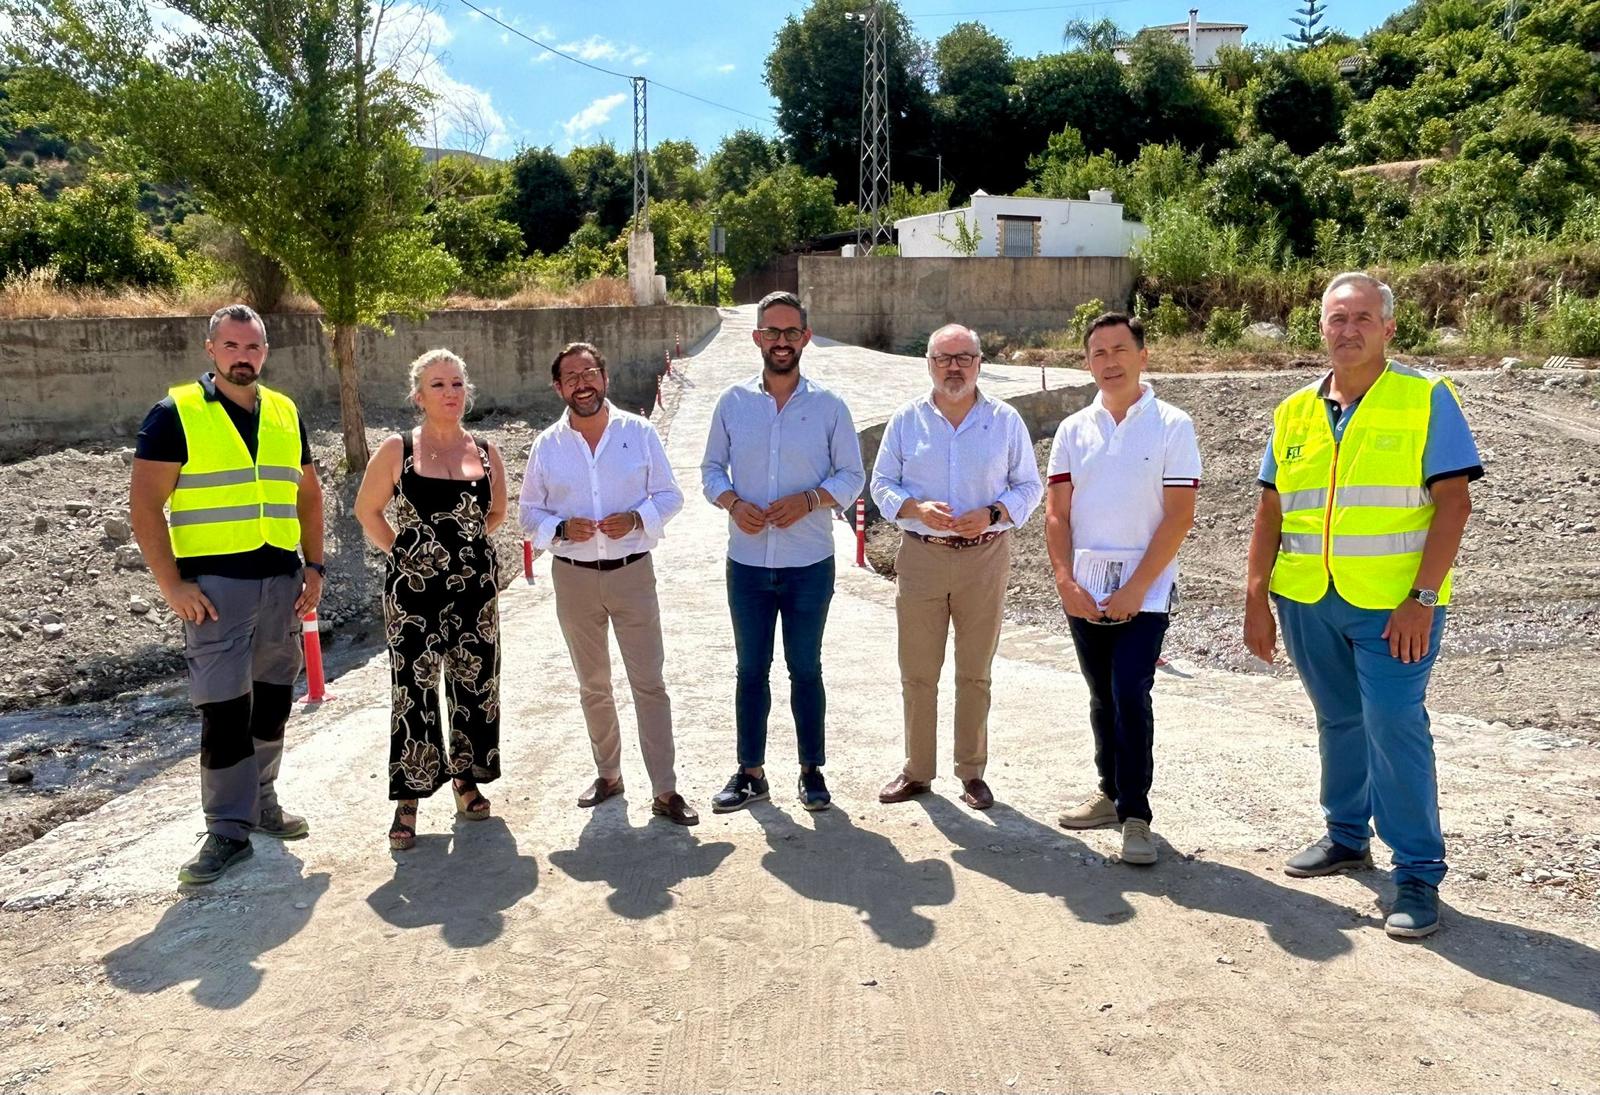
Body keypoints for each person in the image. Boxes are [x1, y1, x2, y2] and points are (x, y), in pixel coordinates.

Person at [1244, 272, 1481, 939]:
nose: (1347, 330)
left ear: (1388, 328)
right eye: (1336, 318)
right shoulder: (1293, 411)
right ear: (1320, 326)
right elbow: (1271, 508)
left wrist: (1421, 598)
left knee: (1395, 724)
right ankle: (1347, 834)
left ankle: (1416, 873)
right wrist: (1257, 596)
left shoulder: (1425, 398)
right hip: (1308, 600)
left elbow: (1454, 504)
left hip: (1394, 607)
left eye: (1362, 318)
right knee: (1339, 719)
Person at [129, 304, 324, 885]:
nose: (245, 357)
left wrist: (313, 567)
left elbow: (308, 497)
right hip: (214, 592)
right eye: (233, 346)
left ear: (265, 352)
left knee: (271, 702)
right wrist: (172, 586)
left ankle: (262, 803)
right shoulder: (175, 414)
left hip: (283, 586)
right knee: (222, 709)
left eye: (254, 347)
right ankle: (226, 829)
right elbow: (144, 507)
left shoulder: (285, 412)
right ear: (210, 350)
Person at [519, 342, 699, 826]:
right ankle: (609, 774)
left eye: (591, 372)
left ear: (605, 377)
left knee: (649, 683)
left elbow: (670, 495)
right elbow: (527, 513)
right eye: (572, 376)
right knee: (593, 685)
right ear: (559, 388)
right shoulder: (546, 446)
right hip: (575, 580)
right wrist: (558, 529)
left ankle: (665, 789)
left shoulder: (638, 433)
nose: (584, 383)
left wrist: (638, 519)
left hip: (633, 574)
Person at [700, 290, 865, 813]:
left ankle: (811, 770)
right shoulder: (732, 403)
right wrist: (730, 502)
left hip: (808, 564)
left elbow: (853, 476)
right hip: (747, 564)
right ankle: (750, 771)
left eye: (791, 332)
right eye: (772, 331)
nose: (781, 341)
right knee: (750, 671)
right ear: (756, 338)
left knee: (805, 668)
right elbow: (709, 470)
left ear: (806, 338)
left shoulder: (829, 406)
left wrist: (812, 499)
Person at [1045, 313, 1201, 866]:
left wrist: (1137, 587)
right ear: (1087, 363)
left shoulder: (1172, 425)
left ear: (1142, 355)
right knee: (1100, 693)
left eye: (1119, 349)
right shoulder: (1072, 430)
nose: (1108, 361)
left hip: (1146, 592)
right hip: (1086, 593)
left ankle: (1137, 815)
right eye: (1097, 353)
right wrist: (1065, 580)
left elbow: (1179, 516)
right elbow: (1057, 514)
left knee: (1131, 692)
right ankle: (1108, 792)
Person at [870, 323, 1043, 810]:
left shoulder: (1005, 420)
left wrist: (992, 514)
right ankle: (917, 771)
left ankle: (971, 771)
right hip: (921, 556)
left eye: (963, 357)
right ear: (928, 363)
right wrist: (915, 508)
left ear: (979, 363)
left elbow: (1029, 486)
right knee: (918, 671)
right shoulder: (906, 421)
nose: (954, 367)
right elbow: (881, 483)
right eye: (944, 358)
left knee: (975, 672)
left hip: (985, 559)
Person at [354, 349, 507, 851]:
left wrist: (461, 551)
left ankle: (466, 780)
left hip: (475, 591)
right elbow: (368, 510)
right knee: (413, 692)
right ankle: (409, 800)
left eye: (458, 384)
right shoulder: (396, 449)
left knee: (474, 684)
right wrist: (407, 553)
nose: (450, 393)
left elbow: (498, 512)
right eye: (438, 385)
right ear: (418, 396)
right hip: (413, 594)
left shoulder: (486, 450)